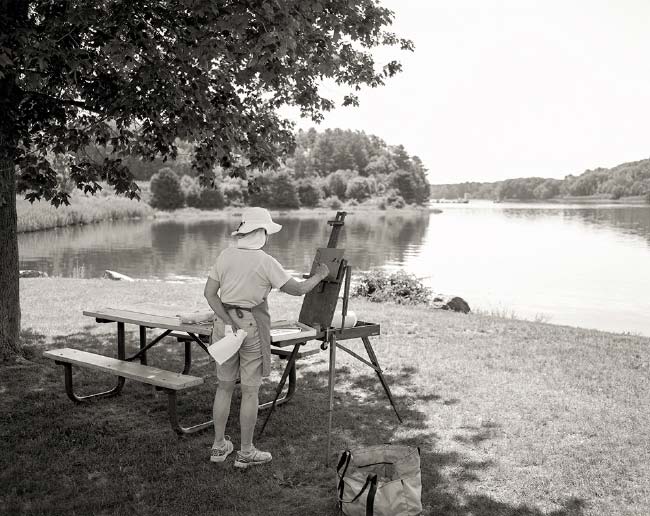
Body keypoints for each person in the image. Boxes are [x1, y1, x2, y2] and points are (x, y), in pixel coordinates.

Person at [203, 207, 330, 468]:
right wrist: (320, 275)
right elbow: (298, 289)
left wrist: (227, 321)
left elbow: (210, 294)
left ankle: (218, 447)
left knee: (224, 386)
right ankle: (246, 452)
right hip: (250, 326)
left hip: (223, 327)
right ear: (261, 233)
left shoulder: (225, 255)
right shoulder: (265, 261)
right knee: (250, 391)